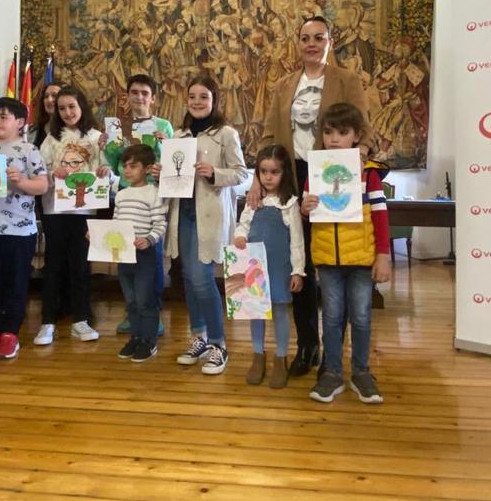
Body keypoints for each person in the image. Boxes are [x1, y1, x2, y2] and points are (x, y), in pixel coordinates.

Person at [252, 15, 375, 377]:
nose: (311, 43)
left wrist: (358, 158)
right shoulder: (283, 84)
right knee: (299, 264)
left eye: (318, 37)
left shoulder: (347, 80)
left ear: (329, 41)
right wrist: (260, 176)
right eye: (305, 37)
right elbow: (270, 134)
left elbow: (365, 128)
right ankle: (308, 345)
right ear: (297, 42)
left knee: (337, 263)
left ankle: (339, 350)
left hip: (334, 176)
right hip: (294, 178)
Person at [301, 103, 391, 404]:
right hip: (327, 260)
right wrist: (306, 207)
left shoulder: (369, 173)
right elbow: (305, 211)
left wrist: (383, 254)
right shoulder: (315, 173)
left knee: (362, 317)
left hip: (361, 260)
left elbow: (380, 214)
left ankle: (362, 373)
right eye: (328, 132)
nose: (335, 139)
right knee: (333, 318)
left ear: (356, 136)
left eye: (343, 132)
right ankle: (332, 374)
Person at [164, 74, 251, 375]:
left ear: (214, 100)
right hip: (184, 214)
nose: (197, 102)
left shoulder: (226, 133)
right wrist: (159, 171)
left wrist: (214, 172)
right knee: (188, 278)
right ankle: (198, 337)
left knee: (202, 278)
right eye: (193, 97)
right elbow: (173, 174)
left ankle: (218, 344)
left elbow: (241, 174)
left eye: (204, 96)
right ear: (186, 100)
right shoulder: (179, 134)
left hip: (210, 214)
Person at [0, 98, 50, 361]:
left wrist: (21, 182)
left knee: (15, 283)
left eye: (3, 117)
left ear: (20, 122)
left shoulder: (29, 151)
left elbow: (42, 187)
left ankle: (10, 334)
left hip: (19, 231)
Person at [101, 73, 174, 337]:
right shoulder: (117, 126)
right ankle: (132, 313)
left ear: (153, 98)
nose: (139, 97)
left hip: (151, 196)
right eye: (134, 92)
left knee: (150, 260)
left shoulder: (163, 125)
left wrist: (165, 145)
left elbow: (172, 161)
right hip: (124, 194)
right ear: (127, 96)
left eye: (144, 92)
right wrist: (105, 147)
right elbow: (113, 162)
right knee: (125, 258)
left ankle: (152, 314)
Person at [36, 86, 110, 345]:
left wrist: (104, 171)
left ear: (82, 107)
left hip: (84, 209)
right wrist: (52, 173)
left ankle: (81, 319)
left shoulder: (97, 136)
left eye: (72, 107)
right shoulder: (51, 138)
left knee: (80, 264)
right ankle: (47, 323)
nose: (68, 112)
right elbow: (40, 169)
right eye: (62, 108)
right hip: (55, 209)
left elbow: (108, 169)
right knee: (54, 264)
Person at [233, 144, 304, 388]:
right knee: (256, 311)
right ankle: (257, 355)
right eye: (263, 171)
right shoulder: (253, 200)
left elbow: (297, 241)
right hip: (254, 265)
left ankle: (281, 357)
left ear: (284, 174)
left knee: (281, 311)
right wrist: (239, 236)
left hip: (279, 266)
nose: (268, 177)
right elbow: (242, 225)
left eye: (274, 172)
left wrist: (298, 271)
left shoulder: (290, 204)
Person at [110, 144, 167, 363]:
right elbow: (116, 224)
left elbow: (160, 223)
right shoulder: (122, 194)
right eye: (125, 166)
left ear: (147, 168)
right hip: (124, 255)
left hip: (145, 256)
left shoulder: (154, 193)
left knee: (145, 300)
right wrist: (99, 237)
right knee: (131, 301)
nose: (127, 170)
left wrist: (149, 239)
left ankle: (149, 341)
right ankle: (135, 337)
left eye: (133, 166)